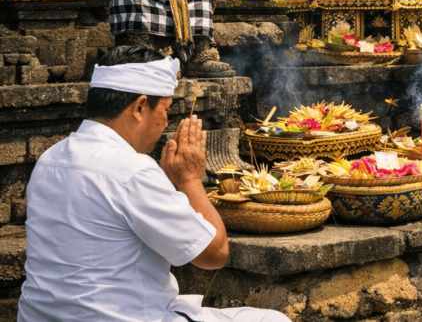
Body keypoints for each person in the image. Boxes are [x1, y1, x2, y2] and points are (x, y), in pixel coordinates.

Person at [18, 45, 289, 322]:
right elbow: (214, 253)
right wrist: (189, 179)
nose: (165, 124)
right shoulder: (132, 169)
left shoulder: (49, 159)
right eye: (166, 111)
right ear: (139, 107)